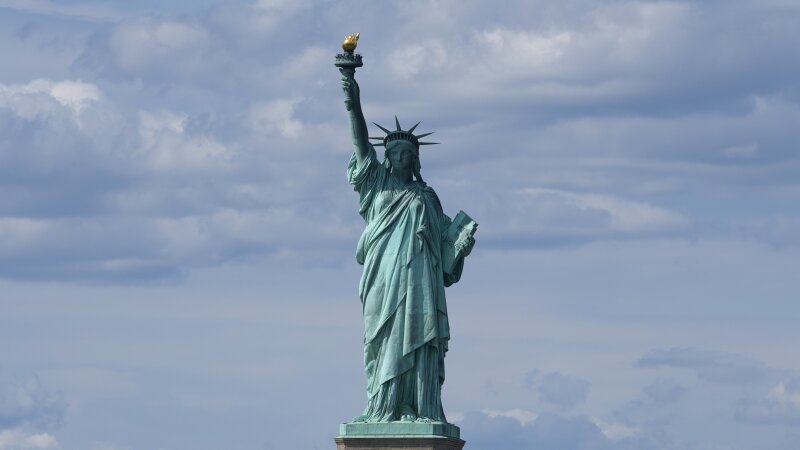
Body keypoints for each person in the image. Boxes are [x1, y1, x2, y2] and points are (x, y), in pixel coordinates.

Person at [341, 70, 475, 423]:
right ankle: (384, 408)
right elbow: (358, 139)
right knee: (383, 340)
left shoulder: (427, 196)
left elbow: (446, 252)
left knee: (420, 340)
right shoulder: (376, 185)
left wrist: (460, 247)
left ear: (416, 160)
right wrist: (350, 92)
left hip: (421, 283)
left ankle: (419, 407)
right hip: (384, 278)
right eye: (395, 152)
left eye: (407, 154)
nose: (401, 158)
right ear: (386, 158)